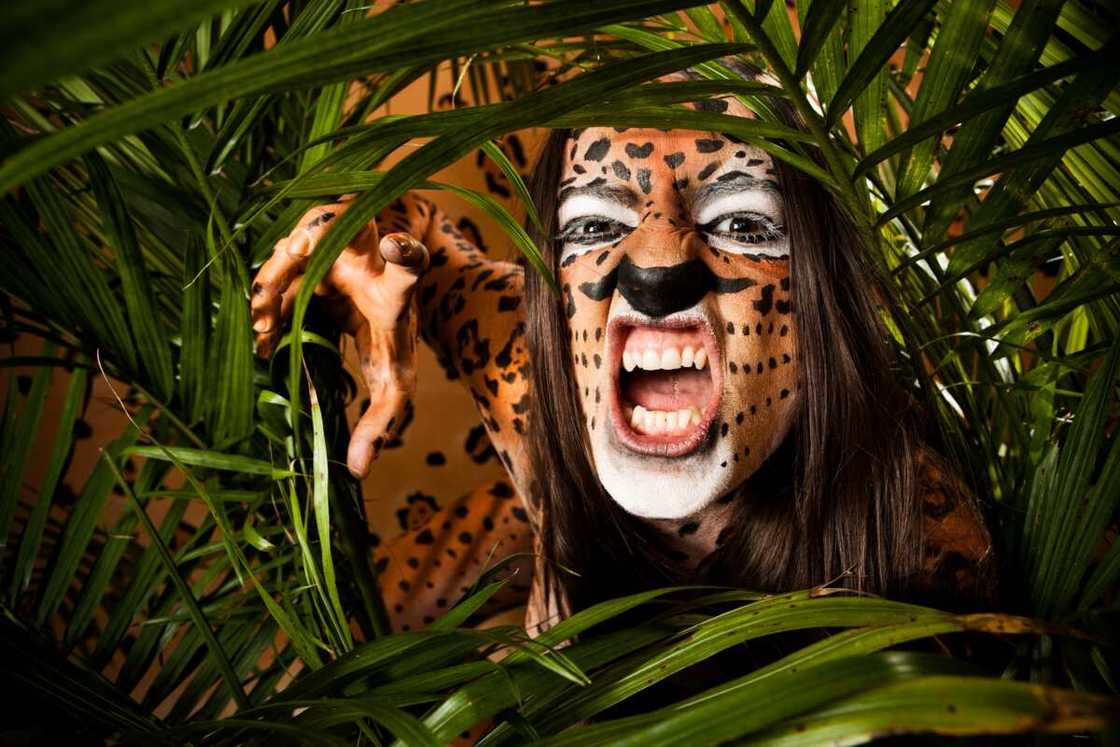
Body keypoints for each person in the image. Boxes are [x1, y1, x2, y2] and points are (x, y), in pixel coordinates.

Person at [250, 68, 994, 635]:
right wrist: (348, 232)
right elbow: (425, 236)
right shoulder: (537, 377)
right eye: (594, 225)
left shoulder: (919, 552)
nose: (656, 267)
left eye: (741, 222)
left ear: (821, 305)